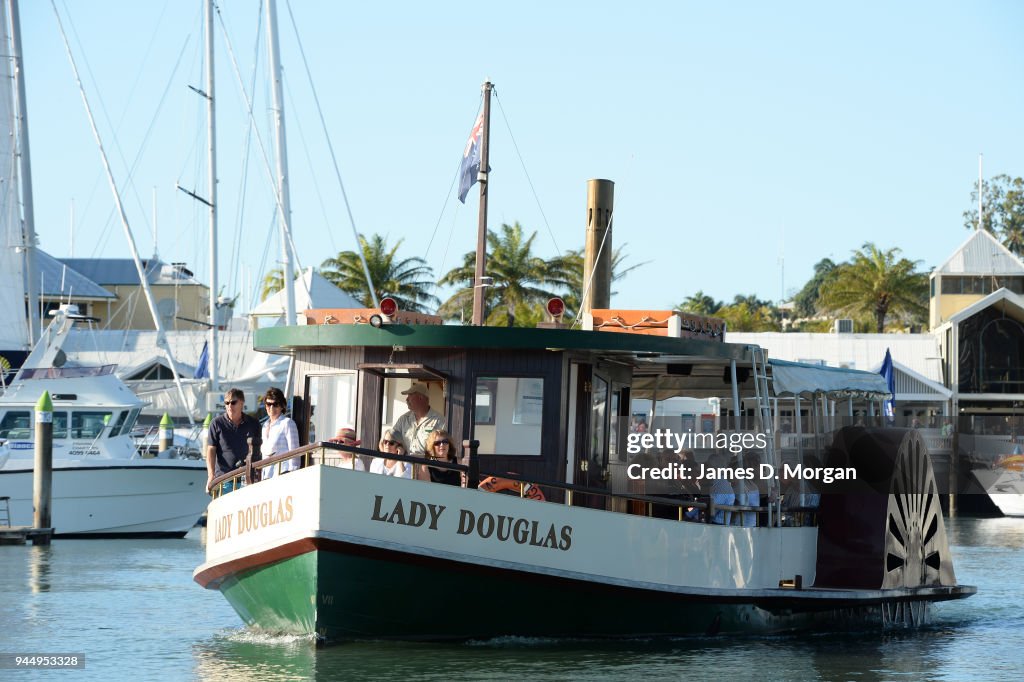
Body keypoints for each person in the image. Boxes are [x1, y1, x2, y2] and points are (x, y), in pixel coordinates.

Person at [206, 388, 263, 494]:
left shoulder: (254, 424)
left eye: (233, 402)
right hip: (224, 480)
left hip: (247, 480)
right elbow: (210, 450)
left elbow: (258, 452)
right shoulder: (216, 423)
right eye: (227, 403)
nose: (229, 406)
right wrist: (211, 476)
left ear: (241, 403)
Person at [393, 383, 446, 457]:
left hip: (427, 465)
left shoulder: (439, 421)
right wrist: (398, 447)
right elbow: (392, 437)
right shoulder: (403, 419)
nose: (406, 399)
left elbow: (444, 449)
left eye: (410, 396)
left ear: (420, 398)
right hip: (405, 464)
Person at [261, 387, 300, 478]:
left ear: (282, 406)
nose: (271, 407)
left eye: (275, 404)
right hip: (267, 476)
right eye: (268, 404)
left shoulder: (288, 423)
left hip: (283, 475)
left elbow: (295, 453)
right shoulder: (265, 426)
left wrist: (292, 475)